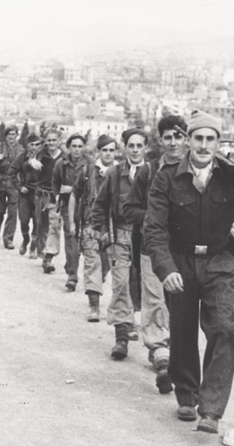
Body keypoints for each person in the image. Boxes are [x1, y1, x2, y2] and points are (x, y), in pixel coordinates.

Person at [143, 110, 234, 433]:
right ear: (188, 141)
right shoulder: (166, 177)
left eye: (211, 139)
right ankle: (187, 396)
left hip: (218, 263)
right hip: (180, 263)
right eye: (198, 138)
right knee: (183, 331)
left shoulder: (231, 174)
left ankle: (212, 409)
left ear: (219, 143)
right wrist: (165, 269)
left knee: (222, 328)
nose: (204, 145)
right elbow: (154, 230)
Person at [122, 115, 188, 394]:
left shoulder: (196, 169)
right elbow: (129, 210)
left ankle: (172, 352)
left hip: (185, 252)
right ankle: (161, 356)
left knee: (181, 306)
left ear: (186, 139)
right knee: (154, 299)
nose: (173, 142)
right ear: (160, 141)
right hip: (152, 248)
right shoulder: (147, 172)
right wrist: (155, 216)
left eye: (178, 136)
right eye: (167, 137)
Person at [91, 128, 147, 360]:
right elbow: (100, 205)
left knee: (150, 287)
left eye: (139, 146)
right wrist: (102, 231)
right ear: (124, 148)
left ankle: (158, 345)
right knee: (121, 284)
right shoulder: (114, 174)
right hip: (120, 237)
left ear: (145, 148)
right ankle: (121, 336)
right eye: (130, 146)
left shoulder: (155, 173)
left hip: (147, 239)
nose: (134, 150)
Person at [69, 134, 115, 322]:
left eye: (111, 150)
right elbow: (74, 195)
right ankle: (94, 305)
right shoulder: (88, 171)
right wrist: (72, 222)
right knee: (91, 263)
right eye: (104, 150)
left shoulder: (121, 172)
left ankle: (98, 285)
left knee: (106, 266)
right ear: (99, 152)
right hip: (90, 225)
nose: (108, 154)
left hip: (113, 228)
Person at [44, 133, 94, 291]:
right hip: (68, 207)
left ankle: (72, 263)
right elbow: (55, 182)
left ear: (84, 147)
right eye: (74, 146)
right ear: (69, 147)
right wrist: (58, 195)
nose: (77, 149)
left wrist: (72, 189)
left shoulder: (91, 163)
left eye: (80, 146)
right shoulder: (62, 163)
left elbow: (94, 186)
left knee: (87, 241)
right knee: (71, 239)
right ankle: (72, 275)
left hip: (87, 207)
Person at [23, 128, 64, 262]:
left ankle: (49, 257)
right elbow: (25, 168)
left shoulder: (64, 157)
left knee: (54, 226)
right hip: (41, 195)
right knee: (41, 225)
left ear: (59, 141)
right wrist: (31, 162)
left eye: (54, 140)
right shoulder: (41, 154)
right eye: (49, 140)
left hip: (56, 197)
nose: (51, 143)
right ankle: (41, 251)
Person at [0, 126, 24, 249]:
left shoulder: (21, 149)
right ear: (5, 135)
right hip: (0, 182)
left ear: (17, 135)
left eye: (13, 134)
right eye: (9, 134)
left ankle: (8, 239)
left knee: (13, 213)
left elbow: (23, 167)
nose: (11, 136)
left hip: (14, 183)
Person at [8, 133, 42, 258]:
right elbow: (11, 172)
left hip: (39, 193)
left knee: (38, 221)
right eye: (32, 145)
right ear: (27, 146)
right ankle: (26, 239)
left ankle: (33, 246)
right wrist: (19, 186)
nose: (34, 147)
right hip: (25, 193)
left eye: (37, 144)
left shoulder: (44, 157)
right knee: (24, 220)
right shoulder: (22, 157)